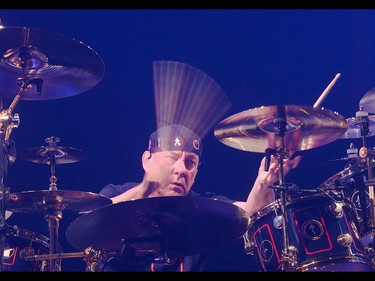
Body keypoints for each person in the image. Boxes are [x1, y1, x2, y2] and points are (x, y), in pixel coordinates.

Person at [96, 124, 301, 272]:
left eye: (190, 163)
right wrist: (147, 187)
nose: (180, 170)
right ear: (146, 160)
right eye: (171, 159)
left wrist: (265, 181)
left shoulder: (202, 206)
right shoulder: (116, 192)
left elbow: (250, 213)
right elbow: (91, 218)